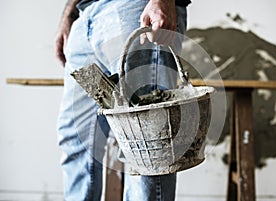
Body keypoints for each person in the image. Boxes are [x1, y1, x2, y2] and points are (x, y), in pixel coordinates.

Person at [55, 0, 191, 200]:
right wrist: (68, 14)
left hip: (135, 9)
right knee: (76, 140)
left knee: (148, 145)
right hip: (85, 16)